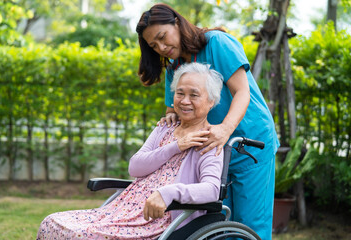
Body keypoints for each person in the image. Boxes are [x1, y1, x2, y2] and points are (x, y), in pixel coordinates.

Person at [136, 3, 280, 240]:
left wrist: (224, 129)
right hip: (212, 153)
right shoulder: (174, 67)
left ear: (176, 23)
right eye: (153, 45)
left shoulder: (217, 43)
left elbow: (242, 92)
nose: (161, 47)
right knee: (218, 225)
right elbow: (175, 107)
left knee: (250, 225)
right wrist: (172, 114)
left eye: (162, 37)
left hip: (250, 144)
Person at [36, 62, 224, 240]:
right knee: (50, 223)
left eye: (194, 95)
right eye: (180, 93)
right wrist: (176, 146)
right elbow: (135, 167)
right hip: (121, 212)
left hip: (153, 220)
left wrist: (168, 193)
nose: (184, 101)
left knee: (82, 236)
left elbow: (212, 190)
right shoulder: (164, 128)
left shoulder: (208, 140)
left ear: (211, 101)